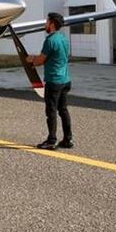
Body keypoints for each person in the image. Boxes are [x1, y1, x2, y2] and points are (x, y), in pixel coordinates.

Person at [25, 12, 72, 150]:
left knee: (51, 111)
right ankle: (68, 139)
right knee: (63, 110)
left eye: (46, 21)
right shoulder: (63, 39)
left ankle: (51, 140)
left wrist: (31, 60)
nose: (45, 23)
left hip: (54, 81)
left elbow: (40, 60)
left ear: (51, 24)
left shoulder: (50, 40)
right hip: (65, 79)